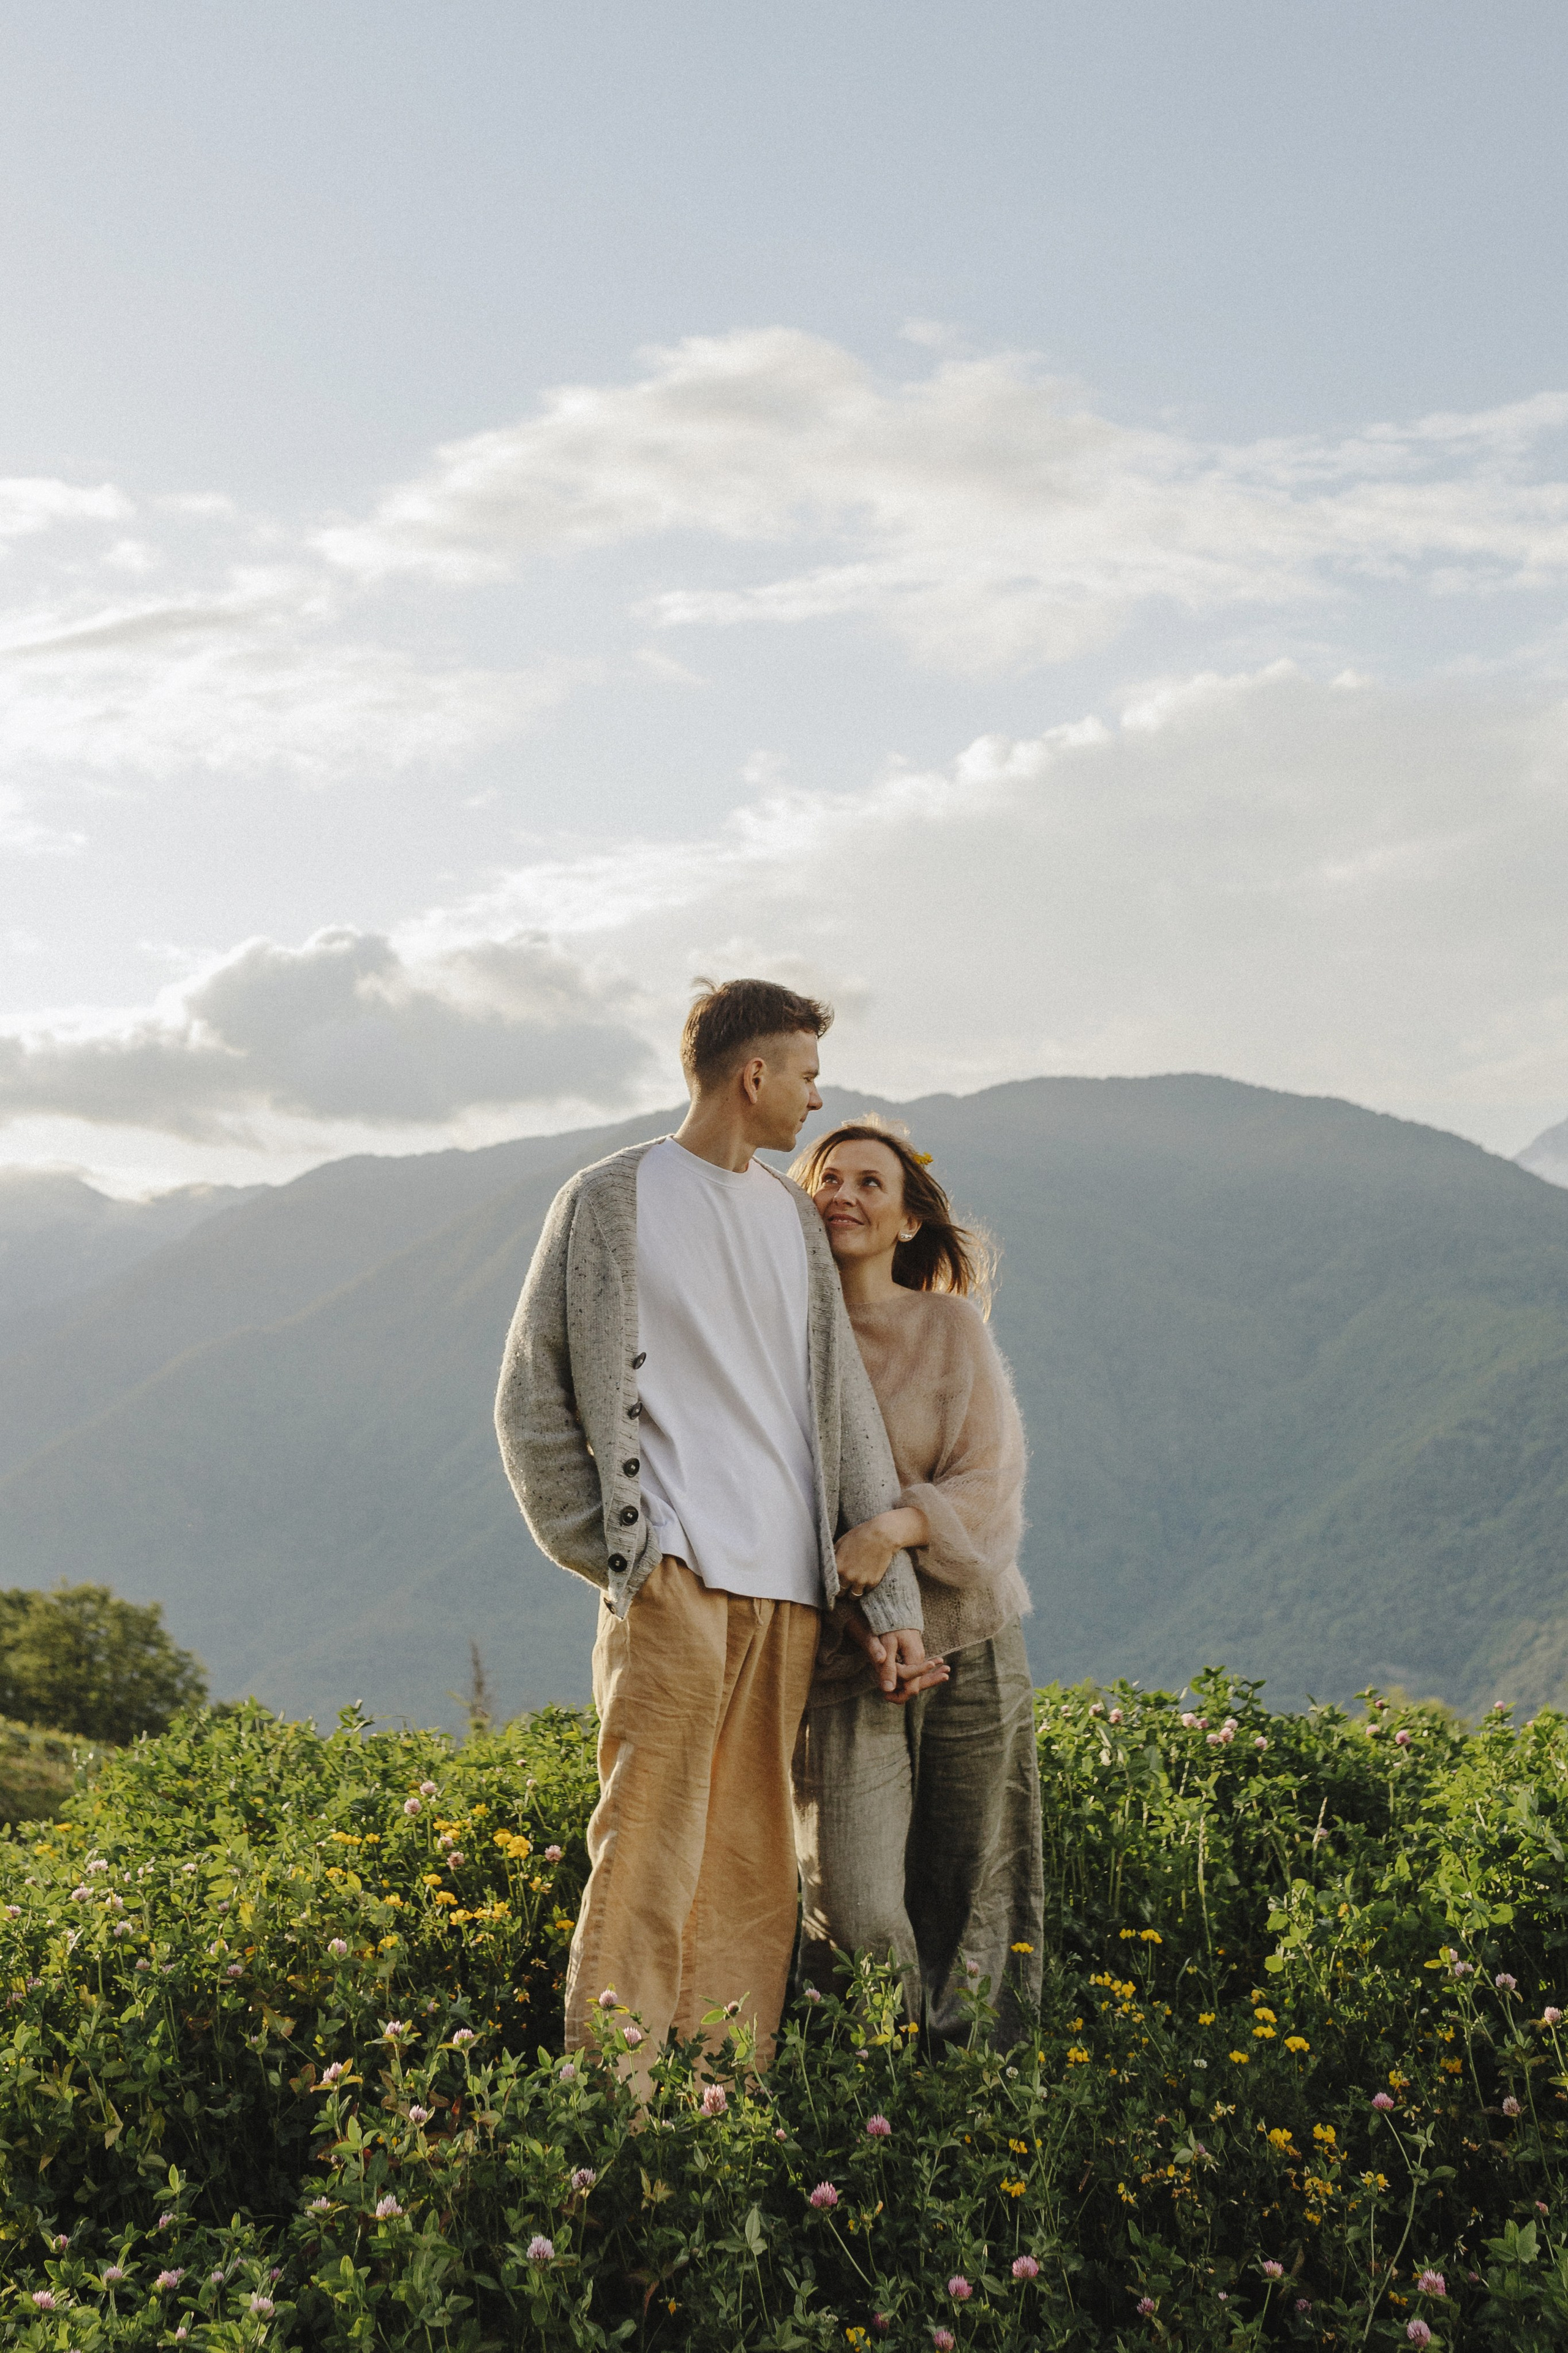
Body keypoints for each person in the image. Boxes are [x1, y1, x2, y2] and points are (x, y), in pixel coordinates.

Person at [494, 981, 932, 2073]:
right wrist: (619, 1554)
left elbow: (842, 1409)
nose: (816, 1099)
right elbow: (532, 1396)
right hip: (674, 1577)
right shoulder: (611, 1198)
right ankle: (615, 2102)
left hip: (788, 1590)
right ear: (754, 1074)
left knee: (749, 1869)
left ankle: (714, 2111)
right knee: (645, 1844)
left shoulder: (790, 1217)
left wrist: (888, 1598)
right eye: (806, 1075)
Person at [788, 1119, 1043, 2044]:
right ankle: (869, 2077)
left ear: (907, 1221)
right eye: (829, 1179)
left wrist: (891, 1528)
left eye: (871, 1183)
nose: (845, 1196)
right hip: (843, 1655)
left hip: (970, 1637)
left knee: (973, 1881)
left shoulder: (948, 1326)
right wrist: (863, 1614)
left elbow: (990, 1481)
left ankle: (973, 2091)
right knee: (852, 1897)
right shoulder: (782, 1338)